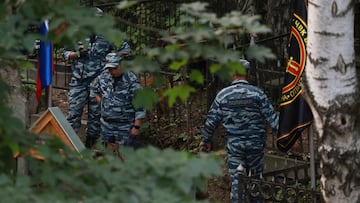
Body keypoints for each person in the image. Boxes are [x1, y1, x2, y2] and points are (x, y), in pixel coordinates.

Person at [199, 59, 279, 203]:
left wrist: (205, 140)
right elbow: (273, 119)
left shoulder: (223, 96)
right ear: (247, 73)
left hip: (235, 146)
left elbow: (211, 121)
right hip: (255, 144)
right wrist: (285, 138)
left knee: (237, 183)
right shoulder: (258, 94)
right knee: (256, 181)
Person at [90, 53, 146, 154]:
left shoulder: (131, 80)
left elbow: (140, 106)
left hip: (125, 127)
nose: (112, 71)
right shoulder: (103, 76)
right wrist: (102, 103)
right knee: (108, 156)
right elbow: (93, 89)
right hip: (107, 126)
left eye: (115, 68)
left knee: (126, 157)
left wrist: (136, 127)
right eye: (110, 69)